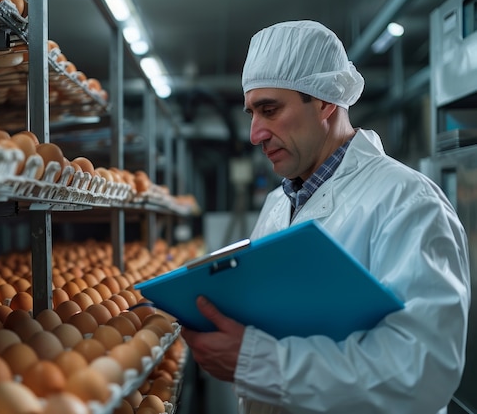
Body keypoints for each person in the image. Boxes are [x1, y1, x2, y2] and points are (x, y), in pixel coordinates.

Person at [180, 20, 470, 414]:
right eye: (251, 113)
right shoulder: (277, 205)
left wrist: (260, 363)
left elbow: (421, 372)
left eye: (270, 109)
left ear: (324, 101)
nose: (254, 134)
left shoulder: (408, 203)